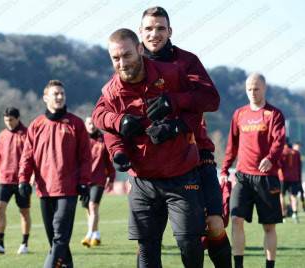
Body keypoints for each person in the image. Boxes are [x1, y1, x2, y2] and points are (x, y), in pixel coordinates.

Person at [92, 28, 220, 268]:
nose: (122, 63)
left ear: (140, 49)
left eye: (127, 55)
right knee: (147, 249)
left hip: (181, 174)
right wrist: (118, 143)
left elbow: (205, 103)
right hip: (143, 180)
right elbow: (100, 118)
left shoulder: (172, 73)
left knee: (189, 243)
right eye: (115, 58)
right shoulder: (111, 90)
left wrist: (176, 124)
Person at [138, 6, 231, 267]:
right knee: (147, 240)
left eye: (160, 28)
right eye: (149, 29)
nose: (154, 34)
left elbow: (211, 99)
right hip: (151, 162)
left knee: (213, 225)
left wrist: (173, 103)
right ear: (140, 32)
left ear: (170, 31)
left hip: (196, 154)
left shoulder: (186, 61)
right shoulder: (133, 64)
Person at [18, 80, 91, 268]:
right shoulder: (36, 125)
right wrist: (23, 180)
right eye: (55, 94)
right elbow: (27, 156)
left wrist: (84, 182)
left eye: (62, 94)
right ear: (45, 98)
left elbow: (85, 156)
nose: (59, 97)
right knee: (56, 241)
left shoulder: (76, 124)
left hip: (68, 190)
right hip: (44, 190)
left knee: (60, 237)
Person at [220, 73, 285, 268]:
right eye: (249, 88)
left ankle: (269, 265)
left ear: (264, 88)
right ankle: (238, 265)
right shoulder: (239, 114)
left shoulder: (274, 114)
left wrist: (270, 158)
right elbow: (232, 144)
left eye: (256, 88)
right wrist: (224, 169)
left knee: (268, 226)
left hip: (266, 178)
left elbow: (279, 140)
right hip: (243, 176)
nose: (252, 92)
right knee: (236, 219)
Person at [0, 107, 31, 255]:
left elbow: (33, 158)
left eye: (11, 120)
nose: (8, 123)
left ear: (18, 118)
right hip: (4, 179)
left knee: (24, 212)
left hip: (22, 180)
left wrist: (32, 178)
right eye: (6, 120)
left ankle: (24, 243)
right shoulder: (2, 135)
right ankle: (0, 244)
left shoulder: (27, 134)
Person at [80, 116, 116, 247]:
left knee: (93, 206)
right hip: (84, 179)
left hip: (98, 179)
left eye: (93, 123)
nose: (92, 125)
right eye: (89, 123)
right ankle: (96, 233)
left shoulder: (103, 140)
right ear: (85, 125)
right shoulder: (80, 139)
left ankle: (89, 234)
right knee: (88, 209)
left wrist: (111, 178)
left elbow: (109, 161)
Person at [278, 139, 301, 223]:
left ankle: (283, 216)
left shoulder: (281, 152)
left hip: (283, 178)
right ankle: (295, 214)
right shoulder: (296, 153)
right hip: (294, 178)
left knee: (281, 196)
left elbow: (279, 165)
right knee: (293, 196)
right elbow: (299, 166)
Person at [292, 141, 305, 212]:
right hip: (292, 178)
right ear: (294, 146)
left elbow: (299, 167)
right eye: (298, 146)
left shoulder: (297, 154)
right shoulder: (292, 153)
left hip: (297, 178)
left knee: (301, 192)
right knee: (292, 194)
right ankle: (292, 209)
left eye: (299, 147)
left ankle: (303, 206)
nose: (299, 148)